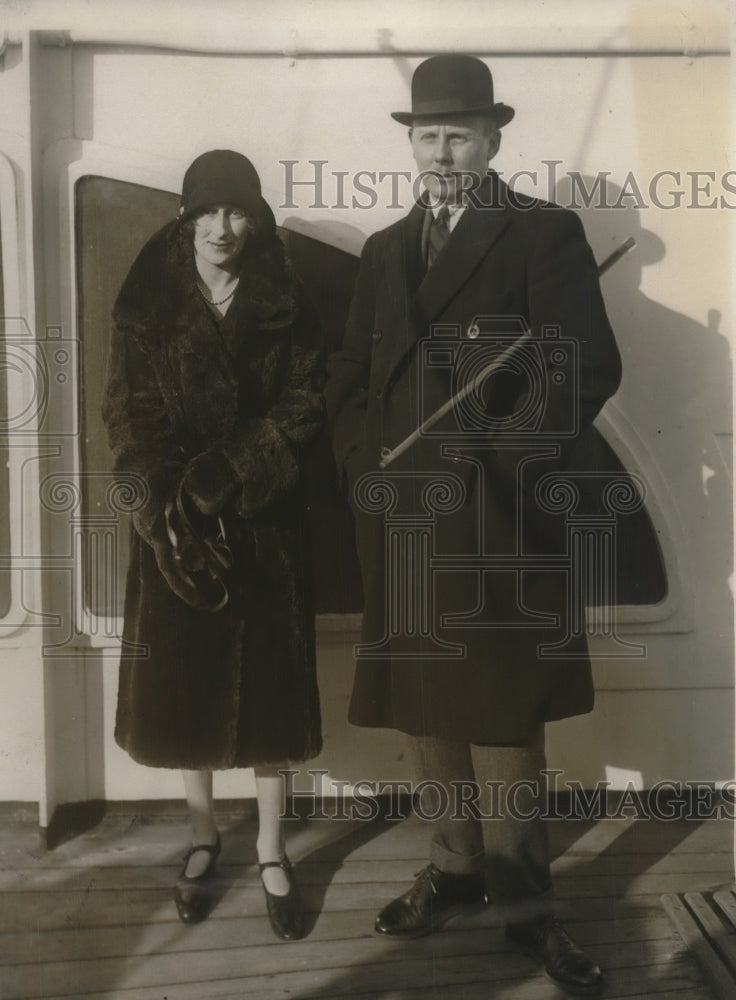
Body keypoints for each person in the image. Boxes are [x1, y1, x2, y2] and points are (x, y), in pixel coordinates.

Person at [324, 55, 622, 995]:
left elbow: (587, 369)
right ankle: (454, 871)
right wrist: (358, 454)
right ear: (409, 143)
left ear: (493, 139)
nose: (440, 151)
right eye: (426, 135)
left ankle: (527, 906)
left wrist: (491, 439)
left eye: (458, 134)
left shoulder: (542, 234)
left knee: (503, 719)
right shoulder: (382, 250)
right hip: (405, 522)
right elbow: (352, 378)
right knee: (425, 714)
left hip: (499, 522)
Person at [103, 149, 324, 939]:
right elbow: (126, 416)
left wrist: (231, 471)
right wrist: (165, 506)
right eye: (209, 213)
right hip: (173, 528)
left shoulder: (285, 295)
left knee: (268, 692)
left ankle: (270, 846)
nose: (223, 228)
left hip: (264, 522)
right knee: (187, 687)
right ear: (187, 218)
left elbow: (305, 404)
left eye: (238, 212)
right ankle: (203, 836)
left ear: (255, 219)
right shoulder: (147, 302)